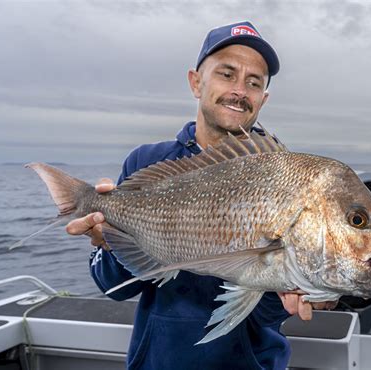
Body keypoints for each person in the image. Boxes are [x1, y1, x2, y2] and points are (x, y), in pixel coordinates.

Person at [66, 21, 337, 370]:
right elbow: (116, 289)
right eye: (227, 74)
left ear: (263, 99)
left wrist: (295, 288)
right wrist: (109, 243)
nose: (240, 90)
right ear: (196, 82)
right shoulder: (146, 163)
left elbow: (265, 314)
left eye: (254, 82)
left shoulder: (282, 176)